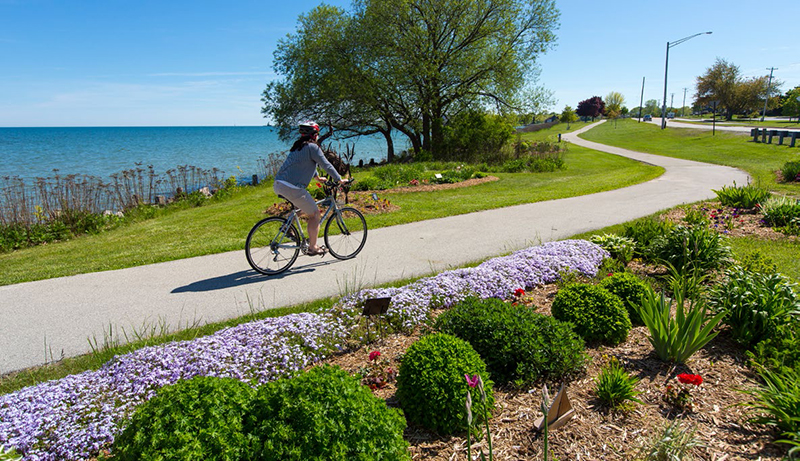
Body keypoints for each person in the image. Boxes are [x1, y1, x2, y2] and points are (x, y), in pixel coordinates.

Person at [273, 121, 344, 256]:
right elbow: (326, 164)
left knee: (300, 208)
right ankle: (313, 247)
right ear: (315, 135)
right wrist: (339, 179)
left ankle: (287, 226)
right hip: (292, 187)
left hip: (279, 184)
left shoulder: (298, 146)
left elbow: (304, 164)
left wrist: (317, 178)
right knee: (315, 214)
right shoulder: (313, 147)